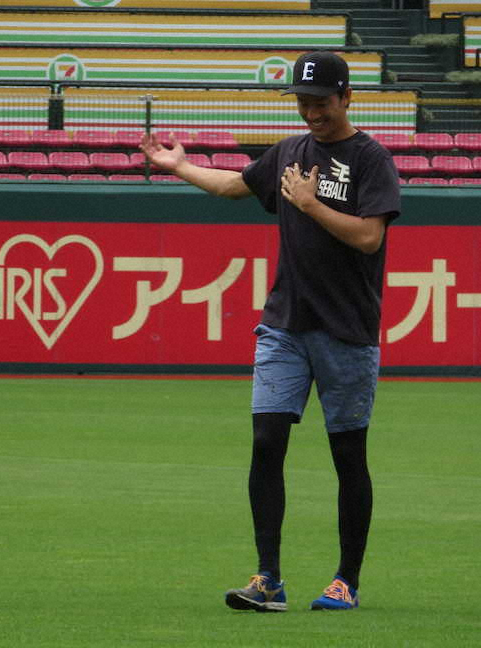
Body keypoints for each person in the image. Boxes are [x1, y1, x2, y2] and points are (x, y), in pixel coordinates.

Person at [141, 51, 400, 611]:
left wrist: (309, 203)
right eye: (303, 102)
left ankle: (346, 581)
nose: (311, 113)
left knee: (348, 454)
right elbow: (234, 186)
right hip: (285, 325)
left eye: (321, 102)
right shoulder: (290, 151)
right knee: (265, 442)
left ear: (347, 97)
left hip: (347, 329)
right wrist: (179, 166)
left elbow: (369, 238)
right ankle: (268, 579)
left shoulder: (371, 159)